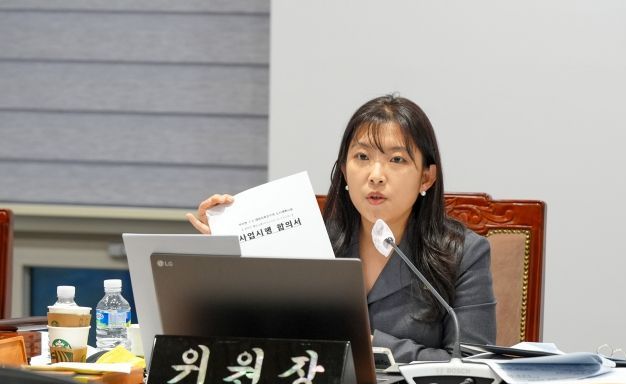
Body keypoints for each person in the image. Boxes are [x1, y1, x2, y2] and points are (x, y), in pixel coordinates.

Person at [187, 94, 496, 363]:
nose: (376, 175)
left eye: (396, 159)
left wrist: (371, 345)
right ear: (345, 171)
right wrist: (227, 251)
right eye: (362, 157)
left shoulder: (463, 254)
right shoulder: (307, 240)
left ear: (426, 178)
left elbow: (472, 363)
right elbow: (253, 336)